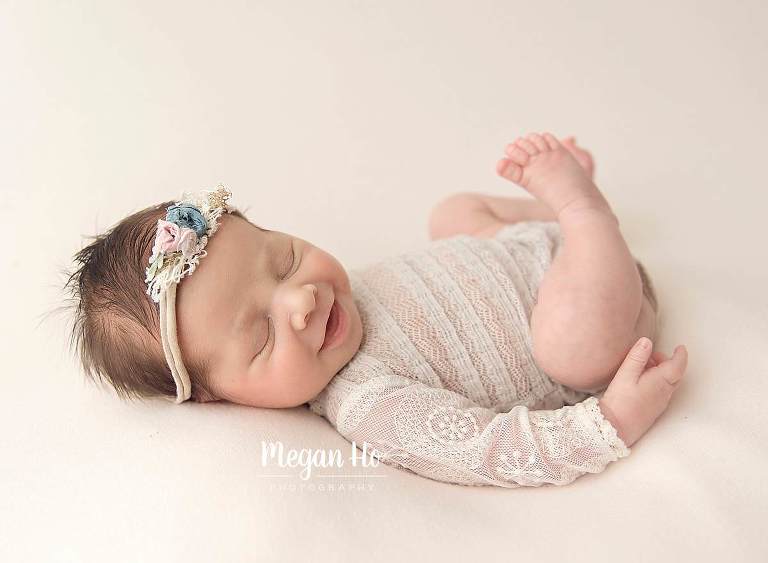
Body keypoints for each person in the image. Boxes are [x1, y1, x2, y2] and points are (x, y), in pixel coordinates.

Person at [63, 132, 688, 487]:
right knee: (569, 344)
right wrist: (607, 422)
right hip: (598, 315)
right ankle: (582, 210)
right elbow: (488, 451)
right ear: (220, 398)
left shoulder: (342, 292)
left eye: (283, 260)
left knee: (452, 215)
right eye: (260, 334)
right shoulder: (369, 402)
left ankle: (555, 217)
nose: (302, 300)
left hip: (531, 256)